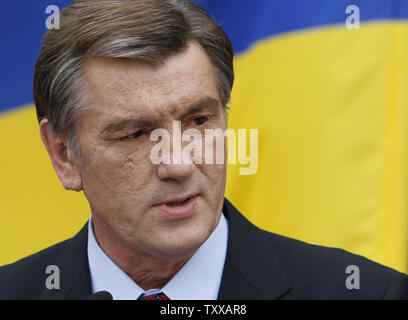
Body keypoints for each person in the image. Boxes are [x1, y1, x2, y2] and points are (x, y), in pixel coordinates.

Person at [0, 0, 407, 300]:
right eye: (137, 134)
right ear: (63, 153)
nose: (178, 162)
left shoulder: (367, 293)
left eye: (198, 121)